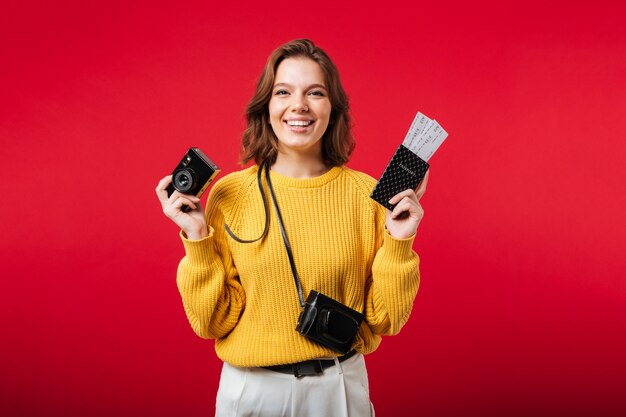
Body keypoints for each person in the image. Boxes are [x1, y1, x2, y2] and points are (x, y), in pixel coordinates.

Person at [155, 39, 428, 417]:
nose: (298, 105)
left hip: (339, 390)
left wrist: (399, 242)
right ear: (266, 107)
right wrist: (198, 239)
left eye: (315, 92)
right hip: (253, 392)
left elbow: (385, 319)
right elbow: (212, 322)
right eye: (283, 92)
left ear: (332, 109)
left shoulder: (367, 195)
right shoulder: (230, 194)